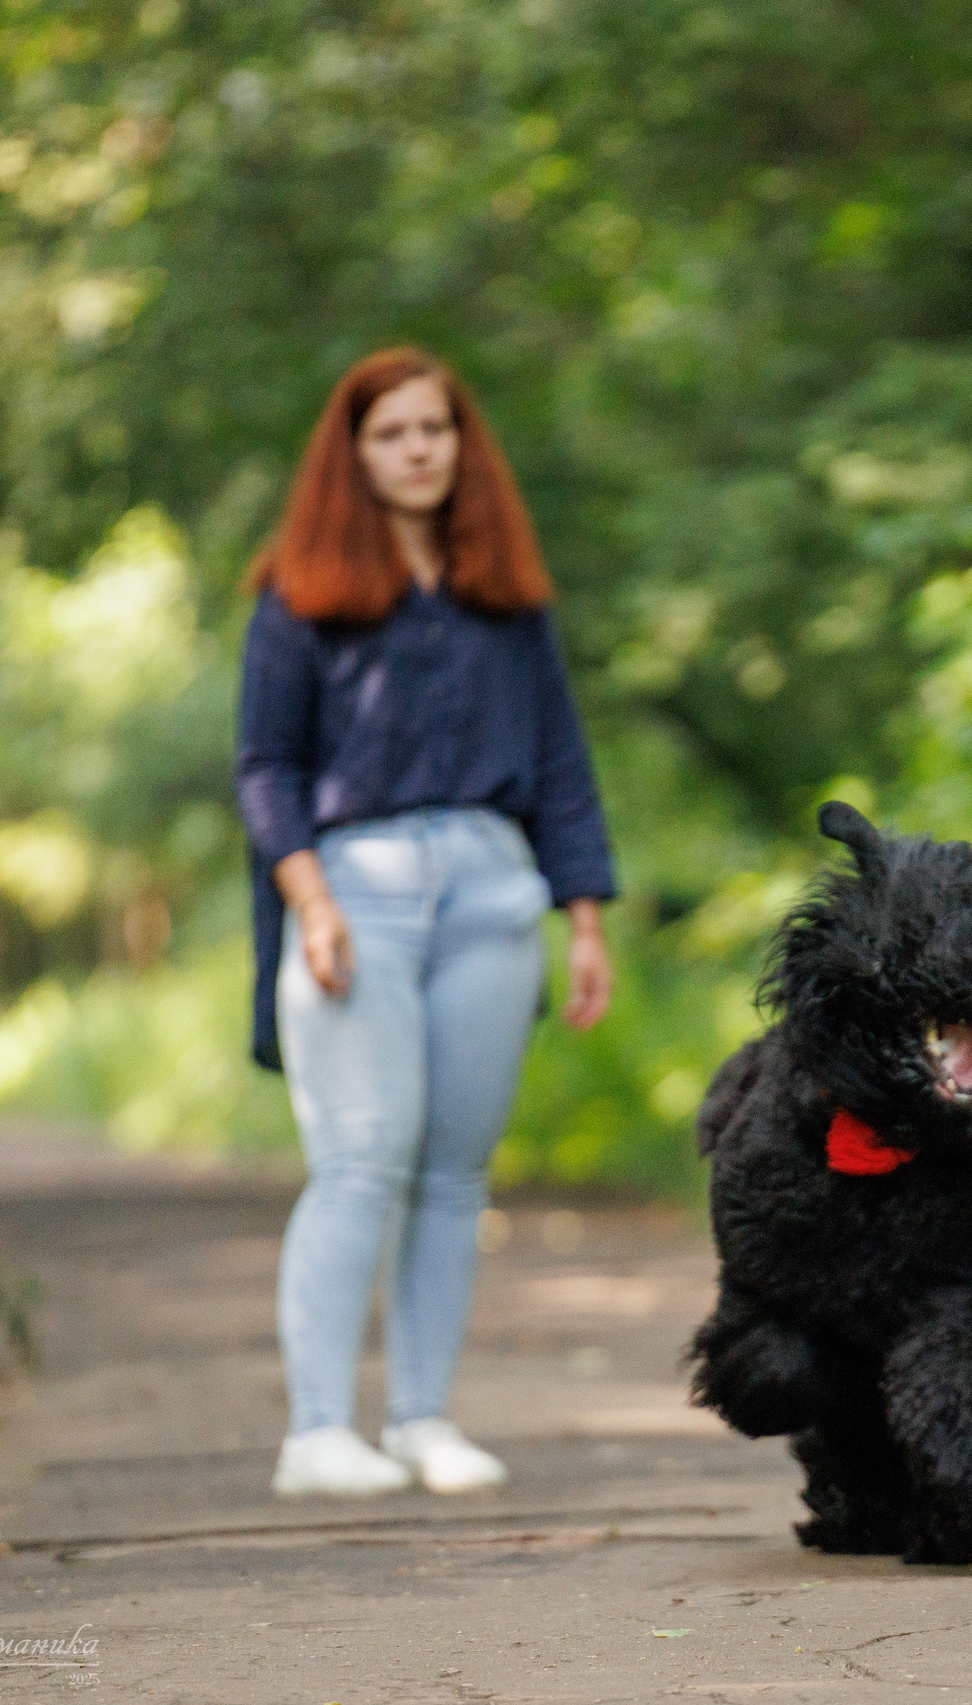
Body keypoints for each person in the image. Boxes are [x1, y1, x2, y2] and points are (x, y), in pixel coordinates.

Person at [234, 348, 617, 1498]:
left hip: (497, 892)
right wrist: (309, 902)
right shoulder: (298, 594)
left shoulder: (508, 597)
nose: (416, 448)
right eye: (391, 431)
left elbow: (560, 763)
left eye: (434, 429)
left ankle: (420, 1417)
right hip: (357, 891)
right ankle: (315, 1431)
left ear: (461, 445)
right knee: (359, 1157)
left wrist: (583, 917)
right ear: (353, 454)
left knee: (454, 1174)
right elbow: (265, 766)